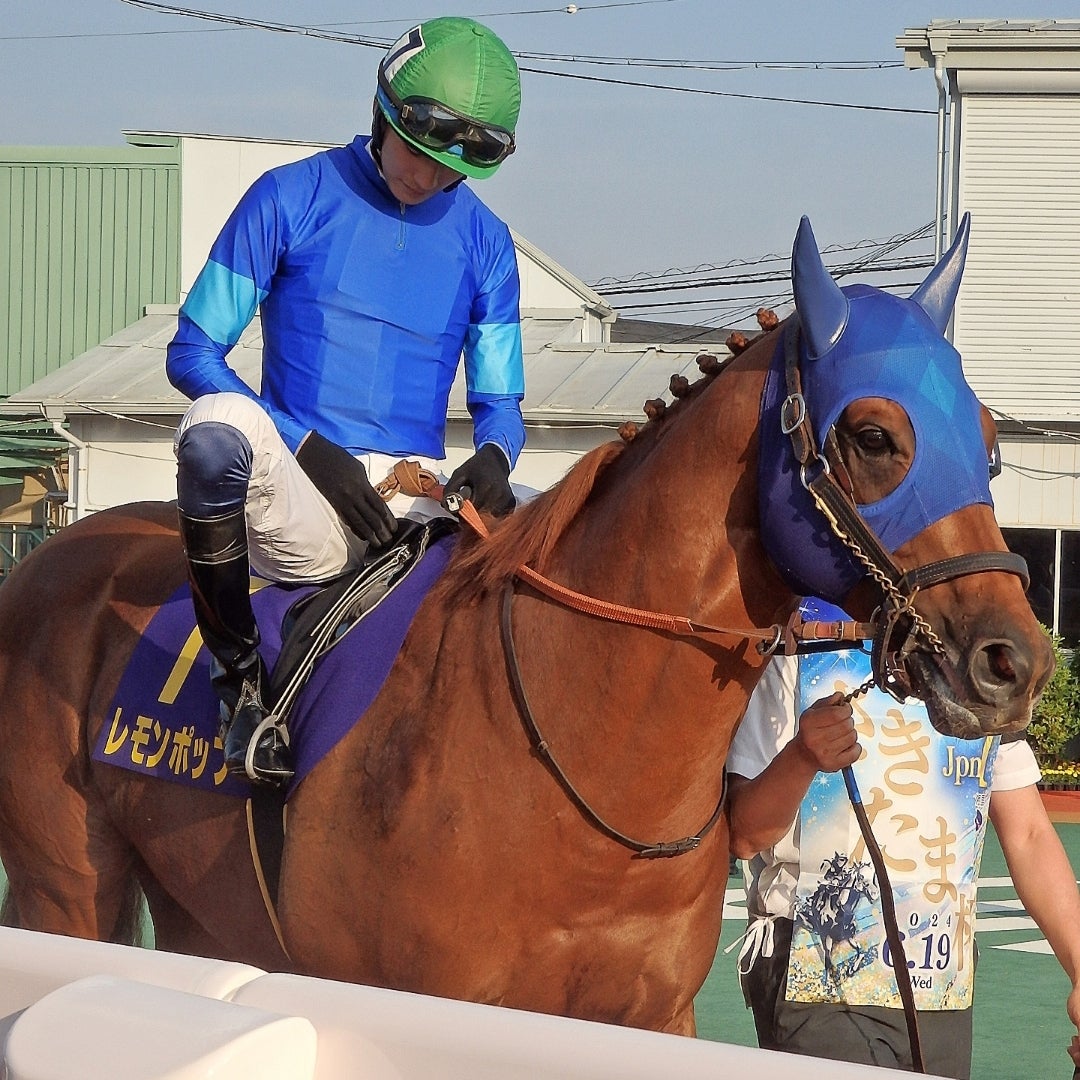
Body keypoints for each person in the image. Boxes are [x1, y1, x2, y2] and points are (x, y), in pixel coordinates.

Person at [165, 17, 526, 786]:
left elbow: (502, 402)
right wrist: (303, 446)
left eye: (449, 169)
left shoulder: (488, 245)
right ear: (382, 112)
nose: (425, 179)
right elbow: (193, 352)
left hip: (420, 501)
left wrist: (496, 456)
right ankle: (239, 687)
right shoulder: (288, 196)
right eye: (416, 152)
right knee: (212, 432)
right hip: (301, 498)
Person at [727, 598, 1080, 1079]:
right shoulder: (798, 651)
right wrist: (802, 758)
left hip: (941, 984)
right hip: (817, 977)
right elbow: (745, 835)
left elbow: (1031, 834)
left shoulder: (981, 675)